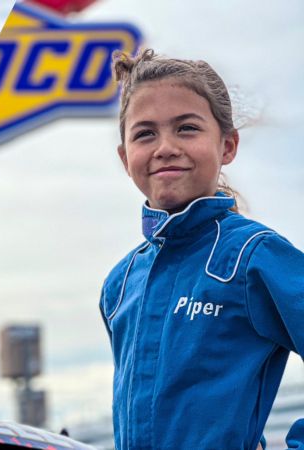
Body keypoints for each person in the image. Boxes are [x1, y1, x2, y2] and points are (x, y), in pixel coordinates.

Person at [99, 48, 304, 450]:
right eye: (145, 133)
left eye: (187, 128)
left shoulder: (253, 257)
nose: (165, 147)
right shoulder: (120, 285)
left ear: (227, 145)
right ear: (125, 158)